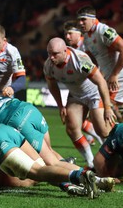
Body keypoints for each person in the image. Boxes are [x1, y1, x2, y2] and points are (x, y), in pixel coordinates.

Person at [0, 123, 100, 199]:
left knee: (37, 173)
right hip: (4, 129)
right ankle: (72, 183)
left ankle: (80, 175)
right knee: (43, 166)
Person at [77, 5, 123, 134]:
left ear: (92, 18)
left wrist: (114, 75)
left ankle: (115, 150)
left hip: (120, 79)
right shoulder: (87, 38)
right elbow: (94, 62)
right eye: (79, 20)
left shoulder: (103, 31)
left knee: (100, 115)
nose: (80, 23)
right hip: (114, 79)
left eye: (83, 19)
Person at [44, 37, 116, 169]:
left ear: (65, 51)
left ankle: (114, 160)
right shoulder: (49, 65)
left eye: (55, 54)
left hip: (94, 94)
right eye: (49, 53)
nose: (51, 57)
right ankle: (90, 162)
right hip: (76, 96)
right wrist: (61, 106)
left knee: (103, 131)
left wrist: (107, 107)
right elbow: (52, 85)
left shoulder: (80, 59)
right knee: (72, 129)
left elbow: (100, 81)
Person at [63, 20, 104, 146]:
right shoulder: (70, 50)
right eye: (65, 34)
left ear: (78, 33)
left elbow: (99, 65)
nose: (67, 37)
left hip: (95, 87)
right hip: (79, 88)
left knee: (104, 120)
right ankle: (97, 140)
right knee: (74, 122)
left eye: (70, 33)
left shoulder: (86, 47)